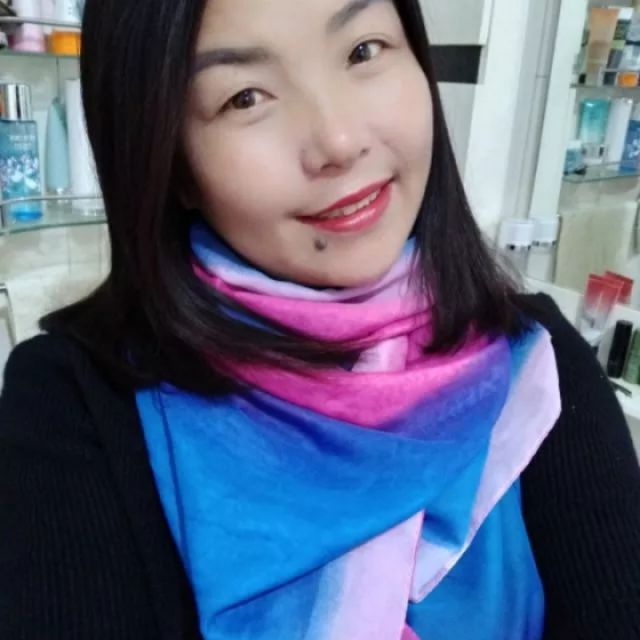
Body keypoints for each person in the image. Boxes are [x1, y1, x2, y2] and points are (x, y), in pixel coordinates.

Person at [1, 0, 639, 638]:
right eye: (245, 97)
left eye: (363, 51)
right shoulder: (74, 401)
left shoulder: (538, 362)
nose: (337, 140)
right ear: (171, 162)